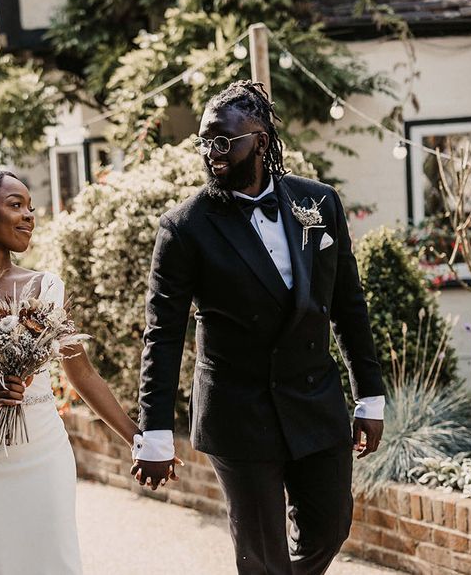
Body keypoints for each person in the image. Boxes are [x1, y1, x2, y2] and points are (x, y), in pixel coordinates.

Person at [131, 80, 385, 575]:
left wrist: (369, 396)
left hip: (314, 400)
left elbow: (348, 305)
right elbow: (162, 335)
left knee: (330, 529)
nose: (213, 153)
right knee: (262, 556)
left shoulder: (319, 203)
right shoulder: (184, 228)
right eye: (206, 141)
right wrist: (155, 432)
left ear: (261, 141)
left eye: (225, 141)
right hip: (238, 411)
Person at [0, 167, 140, 575]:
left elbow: (82, 373)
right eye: (15, 205)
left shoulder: (47, 287)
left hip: (45, 456)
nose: (29, 216)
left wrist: (136, 438)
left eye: (31, 207)